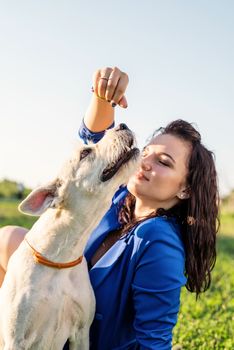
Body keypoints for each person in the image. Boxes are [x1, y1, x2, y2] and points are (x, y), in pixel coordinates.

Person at [0, 67, 219, 349]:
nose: (147, 163)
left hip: (86, 336)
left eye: (163, 162)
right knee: (7, 239)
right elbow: (94, 148)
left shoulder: (159, 240)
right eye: (147, 153)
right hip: (53, 311)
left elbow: (155, 339)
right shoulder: (117, 199)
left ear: (185, 189)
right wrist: (104, 95)